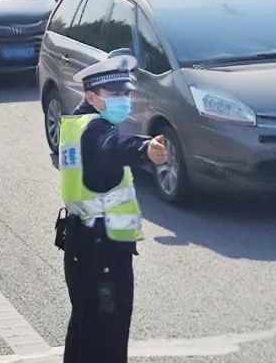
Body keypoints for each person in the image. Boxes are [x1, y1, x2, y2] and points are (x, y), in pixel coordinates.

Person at [56, 49, 167, 363]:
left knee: (84, 334)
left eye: (125, 93)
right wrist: (146, 148)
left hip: (85, 246)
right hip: (100, 255)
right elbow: (113, 146)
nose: (123, 99)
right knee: (107, 342)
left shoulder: (77, 124)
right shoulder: (95, 132)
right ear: (92, 96)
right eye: (115, 94)